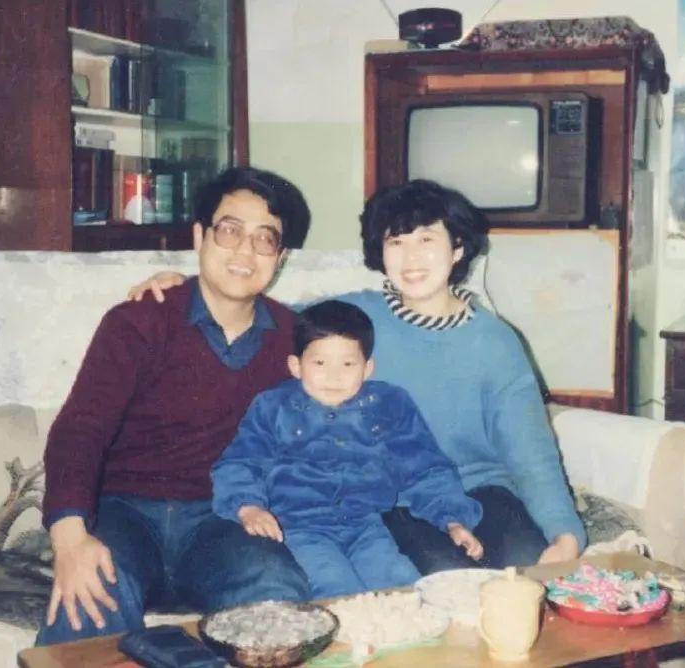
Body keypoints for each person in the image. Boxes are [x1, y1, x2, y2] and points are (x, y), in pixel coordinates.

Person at [127, 178, 588, 572]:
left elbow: (531, 451)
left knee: (530, 568)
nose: (411, 258)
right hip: (394, 497)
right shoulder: (354, 320)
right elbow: (257, 318)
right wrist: (190, 289)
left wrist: (565, 532)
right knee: (444, 577)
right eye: (396, 242)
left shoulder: (495, 341)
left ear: (458, 249)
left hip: (482, 488)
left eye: (426, 240)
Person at [37, 167, 313, 646]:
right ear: (200, 236)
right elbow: (81, 429)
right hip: (124, 512)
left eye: (265, 239)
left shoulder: (297, 339)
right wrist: (70, 539)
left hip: (224, 519)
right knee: (88, 598)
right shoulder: (140, 320)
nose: (245, 251)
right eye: (230, 231)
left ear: (281, 257)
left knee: (279, 597)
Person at [211, 300, 484, 598]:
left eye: (348, 364)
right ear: (296, 366)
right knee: (337, 589)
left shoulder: (389, 404)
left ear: (367, 368)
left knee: (401, 586)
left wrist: (452, 519)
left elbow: (424, 467)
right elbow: (240, 462)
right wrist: (248, 506)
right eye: (319, 363)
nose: (334, 376)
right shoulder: (272, 406)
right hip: (298, 527)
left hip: (367, 526)